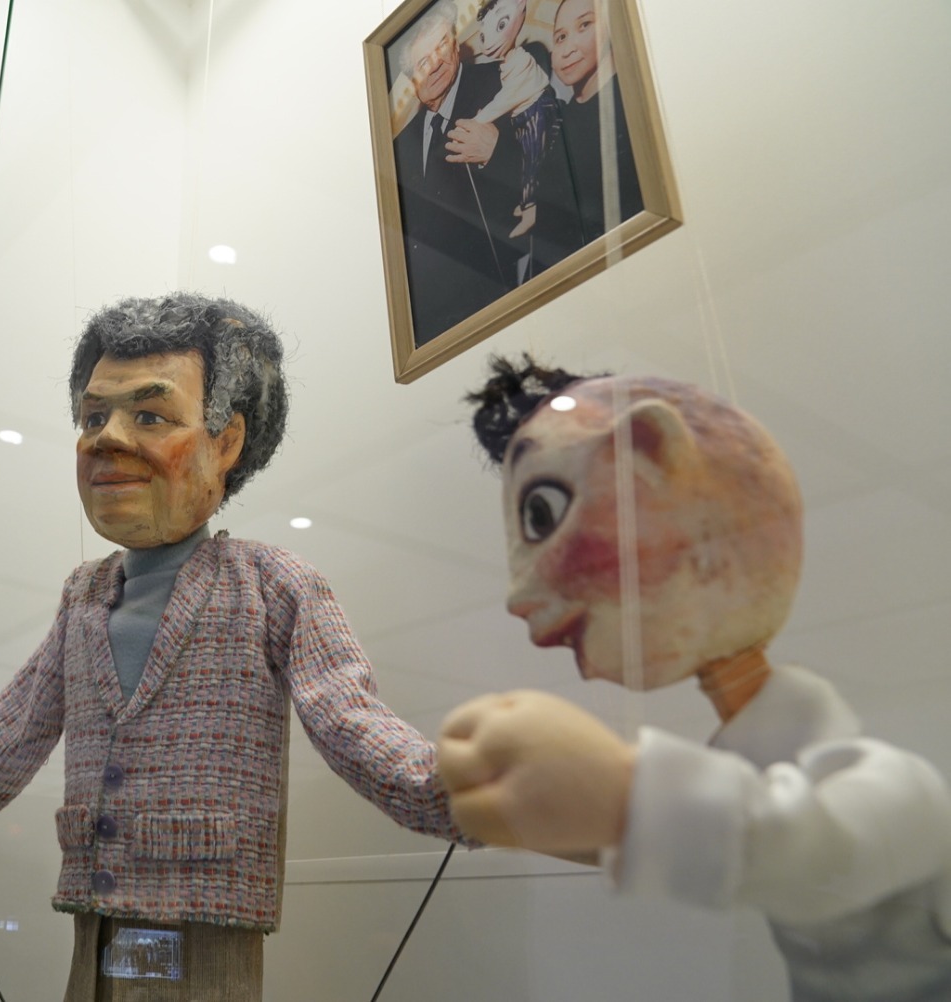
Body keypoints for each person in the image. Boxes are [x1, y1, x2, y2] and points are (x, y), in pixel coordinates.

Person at [0, 294, 466, 1001]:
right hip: (94, 918)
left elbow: (347, 719)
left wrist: (464, 794)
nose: (106, 439)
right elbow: (6, 741)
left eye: (150, 416)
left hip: (206, 919)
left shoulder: (274, 585)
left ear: (227, 442)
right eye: (93, 418)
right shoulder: (83, 596)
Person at [438, 355, 951, 1001]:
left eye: (544, 513)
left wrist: (624, 795)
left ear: (656, 453)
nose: (517, 599)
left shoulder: (900, 789)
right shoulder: (757, 774)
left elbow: (820, 852)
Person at [391, 3, 525, 347]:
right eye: (423, 63)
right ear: (411, 80)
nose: (437, 63)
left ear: (455, 44)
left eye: (441, 47)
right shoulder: (399, 148)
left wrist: (497, 152)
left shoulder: (502, 80)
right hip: (434, 325)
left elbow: (551, 169)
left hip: (505, 299)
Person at [529, 0, 644, 265]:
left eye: (584, 25)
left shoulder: (632, 96)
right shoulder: (559, 122)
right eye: (560, 37)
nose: (567, 49)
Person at [469, 0, 561, 240]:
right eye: (483, 36)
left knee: (531, 162)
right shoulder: (510, 62)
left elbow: (508, 98)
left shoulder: (521, 61)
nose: (488, 42)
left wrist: (480, 118)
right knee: (524, 161)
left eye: (501, 25)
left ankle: (530, 212)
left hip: (536, 114)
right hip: (525, 116)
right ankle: (528, 202)